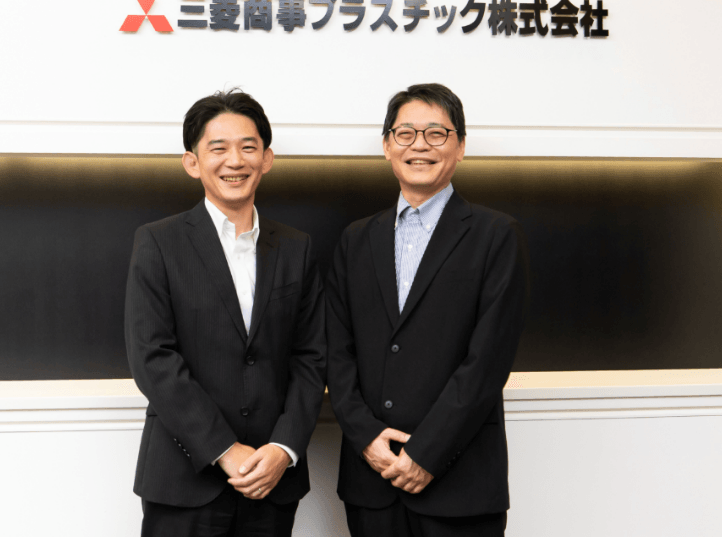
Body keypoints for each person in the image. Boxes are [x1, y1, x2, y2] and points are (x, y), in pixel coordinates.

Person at [326, 83, 530, 537]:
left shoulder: (496, 235)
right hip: (371, 482)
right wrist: (366, 438)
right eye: (405, 133)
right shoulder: (355, 239)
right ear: (386, 146)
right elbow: (337, 353)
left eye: (436, 133)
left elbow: (488, 361)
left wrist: (427, 453)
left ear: (460, 146)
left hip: (460, 484)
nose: (419, 145)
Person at [124, 89, 326, 537]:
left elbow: (311, 358)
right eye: (218, 148)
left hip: (272, 481)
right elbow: (152, 358)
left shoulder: (297, 248)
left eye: (248, 147)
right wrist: (224, 449)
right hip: (184, 480)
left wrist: (284, 448)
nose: (235, 160)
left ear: (266, 158)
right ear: (192, 162)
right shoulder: (158, 242)